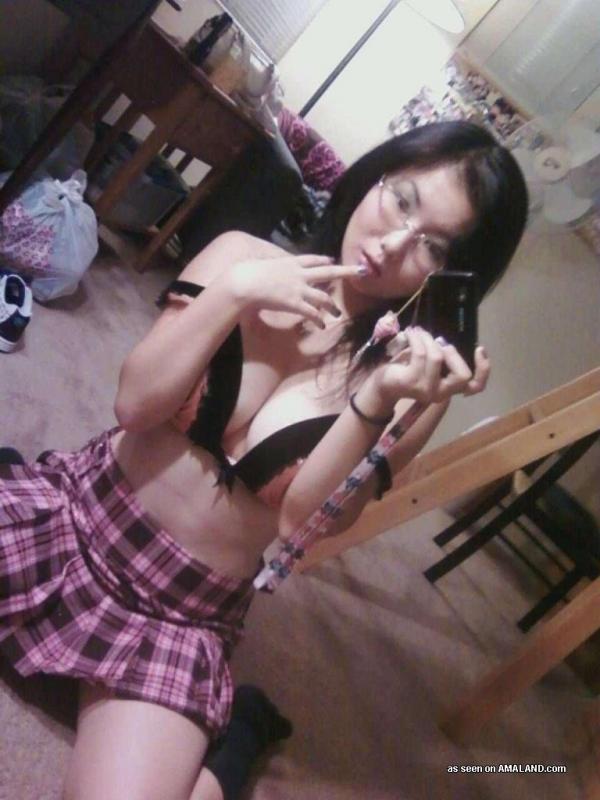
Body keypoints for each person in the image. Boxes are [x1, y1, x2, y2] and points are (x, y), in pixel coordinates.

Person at [0, 120, 528, 800]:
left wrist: (374, 402)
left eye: (433, 245)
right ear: (375, 177)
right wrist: (236, 293)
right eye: (401, 200)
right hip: (79, 514)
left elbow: (301, 523)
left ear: (458, 274)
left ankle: (239, 737)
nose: (394, 243)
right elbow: (133, 404)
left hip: (180, 615)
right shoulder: (242, 256)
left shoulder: (413, 389)